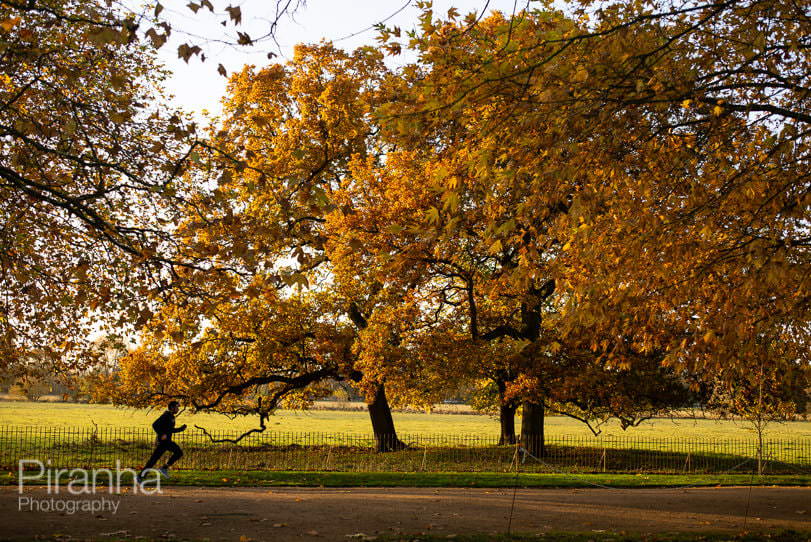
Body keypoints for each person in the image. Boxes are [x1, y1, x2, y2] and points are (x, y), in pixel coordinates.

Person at [137, 400, 187, 481]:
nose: (178, 409)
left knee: (178, 453)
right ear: (172, 407)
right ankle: (141, 476)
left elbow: (170, 430)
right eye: (177, 407)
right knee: (153, 460)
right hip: (163, 442)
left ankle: (163, 468)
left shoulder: (171, 416)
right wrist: (161, 434)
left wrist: (181, 429)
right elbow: (154, 425)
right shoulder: (166, 415)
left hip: (167, 441)